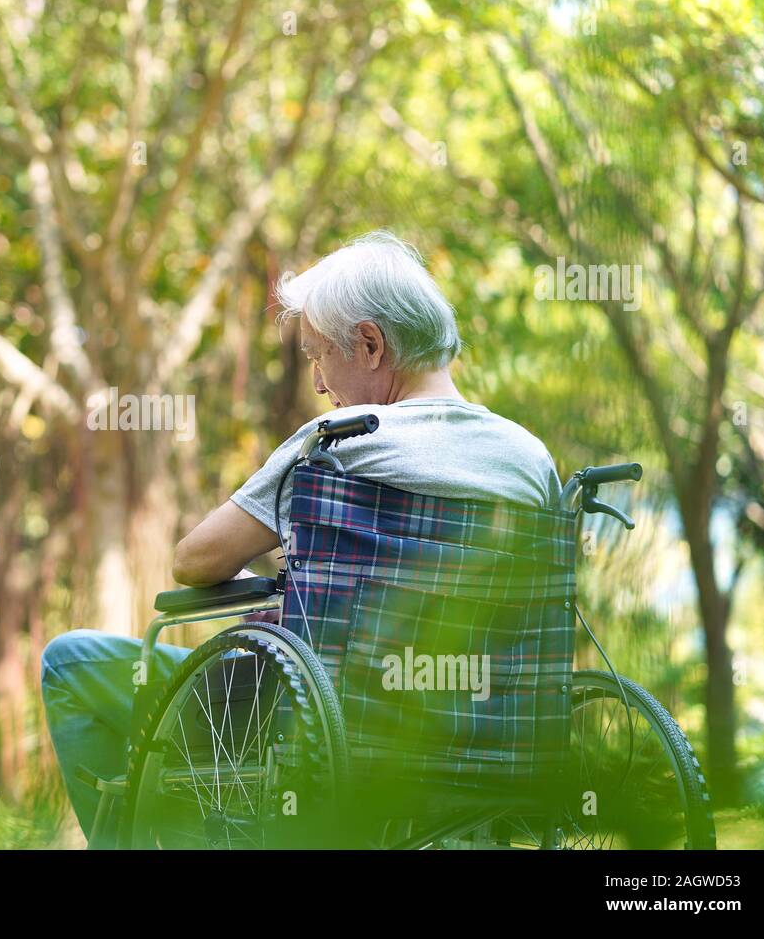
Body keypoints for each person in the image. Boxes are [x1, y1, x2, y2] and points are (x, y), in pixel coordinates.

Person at [41, 230, 562, 838]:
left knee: (69, 661)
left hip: (324, 728)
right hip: (493, 740)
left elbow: (196, 560)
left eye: (318, 355)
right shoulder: (531, 461)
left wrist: (276, 588)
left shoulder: (340, 442)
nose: (317, 382)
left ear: (370, 345)